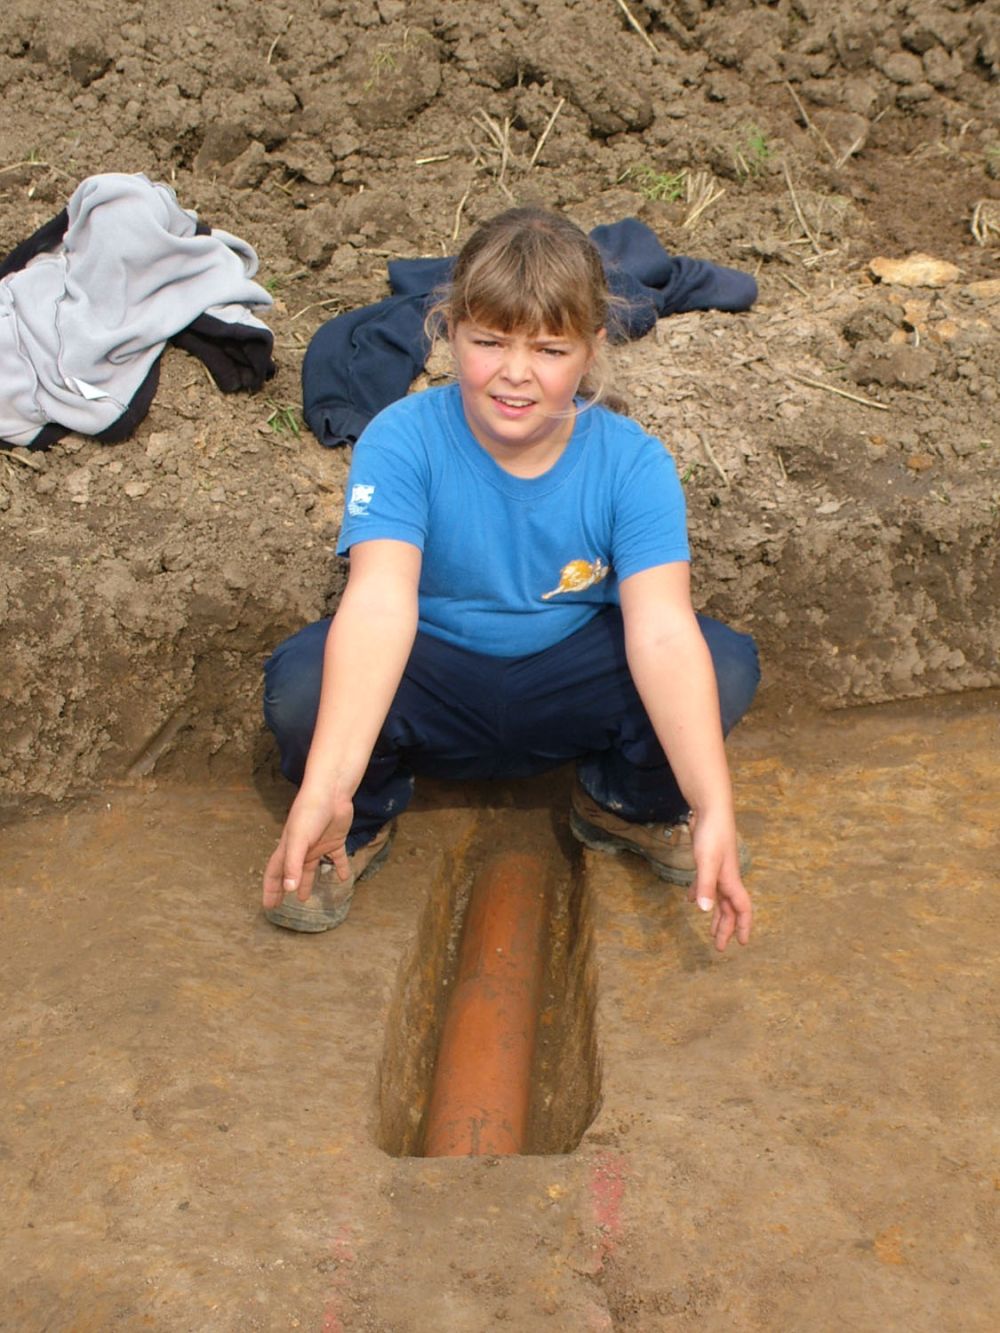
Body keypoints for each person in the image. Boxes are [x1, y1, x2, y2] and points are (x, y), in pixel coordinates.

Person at [261, 207, 758, 951]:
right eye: (488, 342)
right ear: (450, 330)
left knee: (719, 666)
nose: (516, 373)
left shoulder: (631, 461)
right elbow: (377, 606)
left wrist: (711, 803)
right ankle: (352, 820)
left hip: (568, 679)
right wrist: (324, 786)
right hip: (432, 672)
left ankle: (626, 802)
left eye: (550, 349)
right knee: (303, 685)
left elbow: (658, 628)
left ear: (592, 350)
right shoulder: (403, 439)